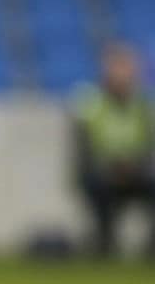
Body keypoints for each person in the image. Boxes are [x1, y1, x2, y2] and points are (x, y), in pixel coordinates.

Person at [73, 43, 155, 257]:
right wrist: (110, 168)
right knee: (98, 186)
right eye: (117, 68)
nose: (122, 75)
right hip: (102, 174)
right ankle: (104, 244)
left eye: (127, 69)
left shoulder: (142, 106)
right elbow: (83, 150)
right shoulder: (89, 103)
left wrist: (134, 167)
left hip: (136, 172)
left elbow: (148, 146)